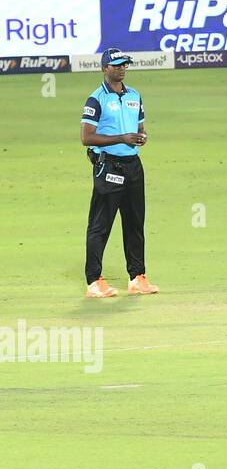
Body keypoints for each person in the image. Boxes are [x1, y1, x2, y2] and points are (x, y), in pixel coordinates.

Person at [81, 49, 158, 299]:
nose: (122, 68)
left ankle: (137, 277)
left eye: (124, 64)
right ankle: (94, 281)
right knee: (100, 225)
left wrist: (140, 137)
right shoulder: (96, 99)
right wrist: (121, 138)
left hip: (133, 165)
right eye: (116, 65)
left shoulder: (134, 95)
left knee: (135, 222)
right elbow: (86, 137)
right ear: (105, 69)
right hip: (108, 166)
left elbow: (140, 128)